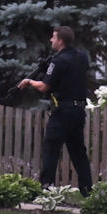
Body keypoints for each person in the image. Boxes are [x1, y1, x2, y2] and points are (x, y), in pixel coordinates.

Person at [17, 26, 93, 197]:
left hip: (62, 112)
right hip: (79, 110)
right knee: (78, 152)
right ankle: (88, 191)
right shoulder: (82, 57)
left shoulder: (57, 61)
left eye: (53, 37)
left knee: (51, 149)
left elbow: (44, 86)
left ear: (60, 41)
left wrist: (29, 81)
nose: (51, 40)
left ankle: (46, 187)